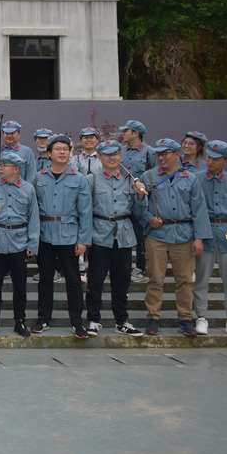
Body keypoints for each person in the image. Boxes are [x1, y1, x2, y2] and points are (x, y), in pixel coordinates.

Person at [139, 138, 211, 336]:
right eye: (158, 154)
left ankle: (185, 318)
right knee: (155, 278)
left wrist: (199, 238)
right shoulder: (148, 177)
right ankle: (153, 317)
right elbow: (139, 206)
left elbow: (199, 209)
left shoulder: (190, 178)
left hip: (184, 234)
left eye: (165, 154)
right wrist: (148, 218)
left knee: (185, 280)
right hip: (157, 234)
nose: (161, 158)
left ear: (177, 154)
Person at [32, 134, 93, 338]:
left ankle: (77, 322)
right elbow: (32, 210)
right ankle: (43, 319)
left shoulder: (79, 179)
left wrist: (83, 240)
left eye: (65, 149)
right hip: (45, 235)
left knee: (73, 280)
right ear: (49, 154)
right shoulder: (38, 177)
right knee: (45, 279)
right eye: (57, 149)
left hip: (69, 235)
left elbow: (85, 211)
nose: (62, 152)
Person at [84, 140, 147, 337]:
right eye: (107, 154)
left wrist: (140, 196)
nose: (112, 158)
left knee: (122, 281)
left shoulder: (130, 180)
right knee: (95, 281)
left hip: (124, 235)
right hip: (99, 234)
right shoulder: (91, 180)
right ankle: (93, 319)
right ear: (100, 157)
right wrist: (85, 238)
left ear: (121, 156)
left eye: (116, 154)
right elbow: (85, 212)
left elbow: (138, 212)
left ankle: (122, 321)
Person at [193, 140, 227, 336]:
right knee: (201, 279)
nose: (210, 162)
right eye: (208, 157)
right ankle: (201, 317)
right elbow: (195, 209)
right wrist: (198, 236)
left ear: (225, 161)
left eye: (216, 159)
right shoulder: (197, 179)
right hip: (205, 230)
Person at [0, 151, 38, 337]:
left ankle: (20, 321)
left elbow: (34, 217)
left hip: (19, 241)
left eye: (4, 165)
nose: (0, 168)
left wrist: (32, 244)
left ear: (16, 169)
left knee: (20, 286)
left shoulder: (28, 189)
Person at [119, 119, 156, 285]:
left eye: (126, 131)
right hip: (122, 199)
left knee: (141, 236)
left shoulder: (150, 152)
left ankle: (141, 268)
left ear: (136, 133)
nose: (123, 134)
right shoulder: (121, 151)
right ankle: (121, 267)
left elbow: (155, 175)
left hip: (141, 201)